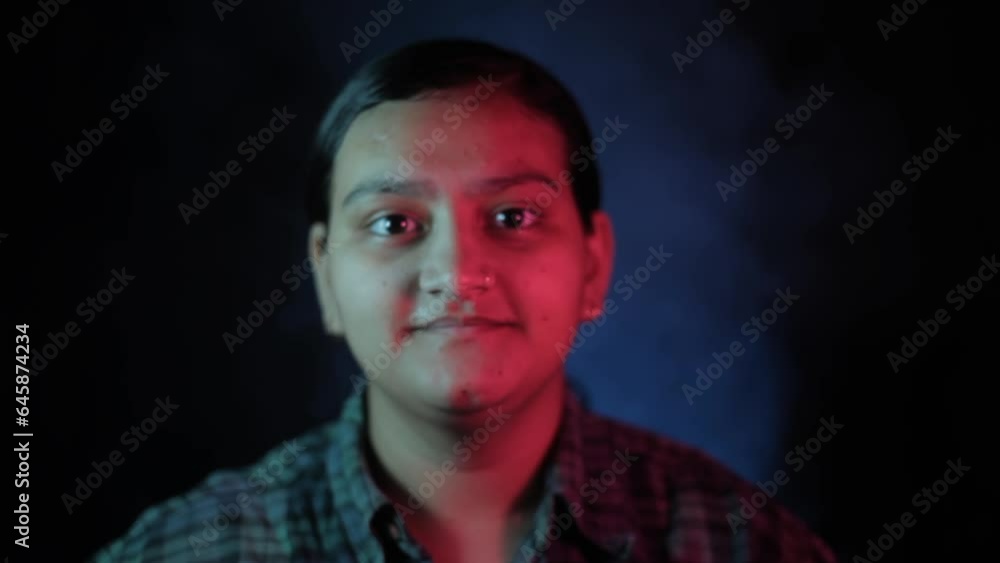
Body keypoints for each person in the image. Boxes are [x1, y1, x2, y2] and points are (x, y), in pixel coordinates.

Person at [91, 38, 836, 563]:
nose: (455, 269)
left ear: (594, 263)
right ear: (324, 275)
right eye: (393, 223)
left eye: (513, 217)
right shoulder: (192, 548)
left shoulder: (741, 541)